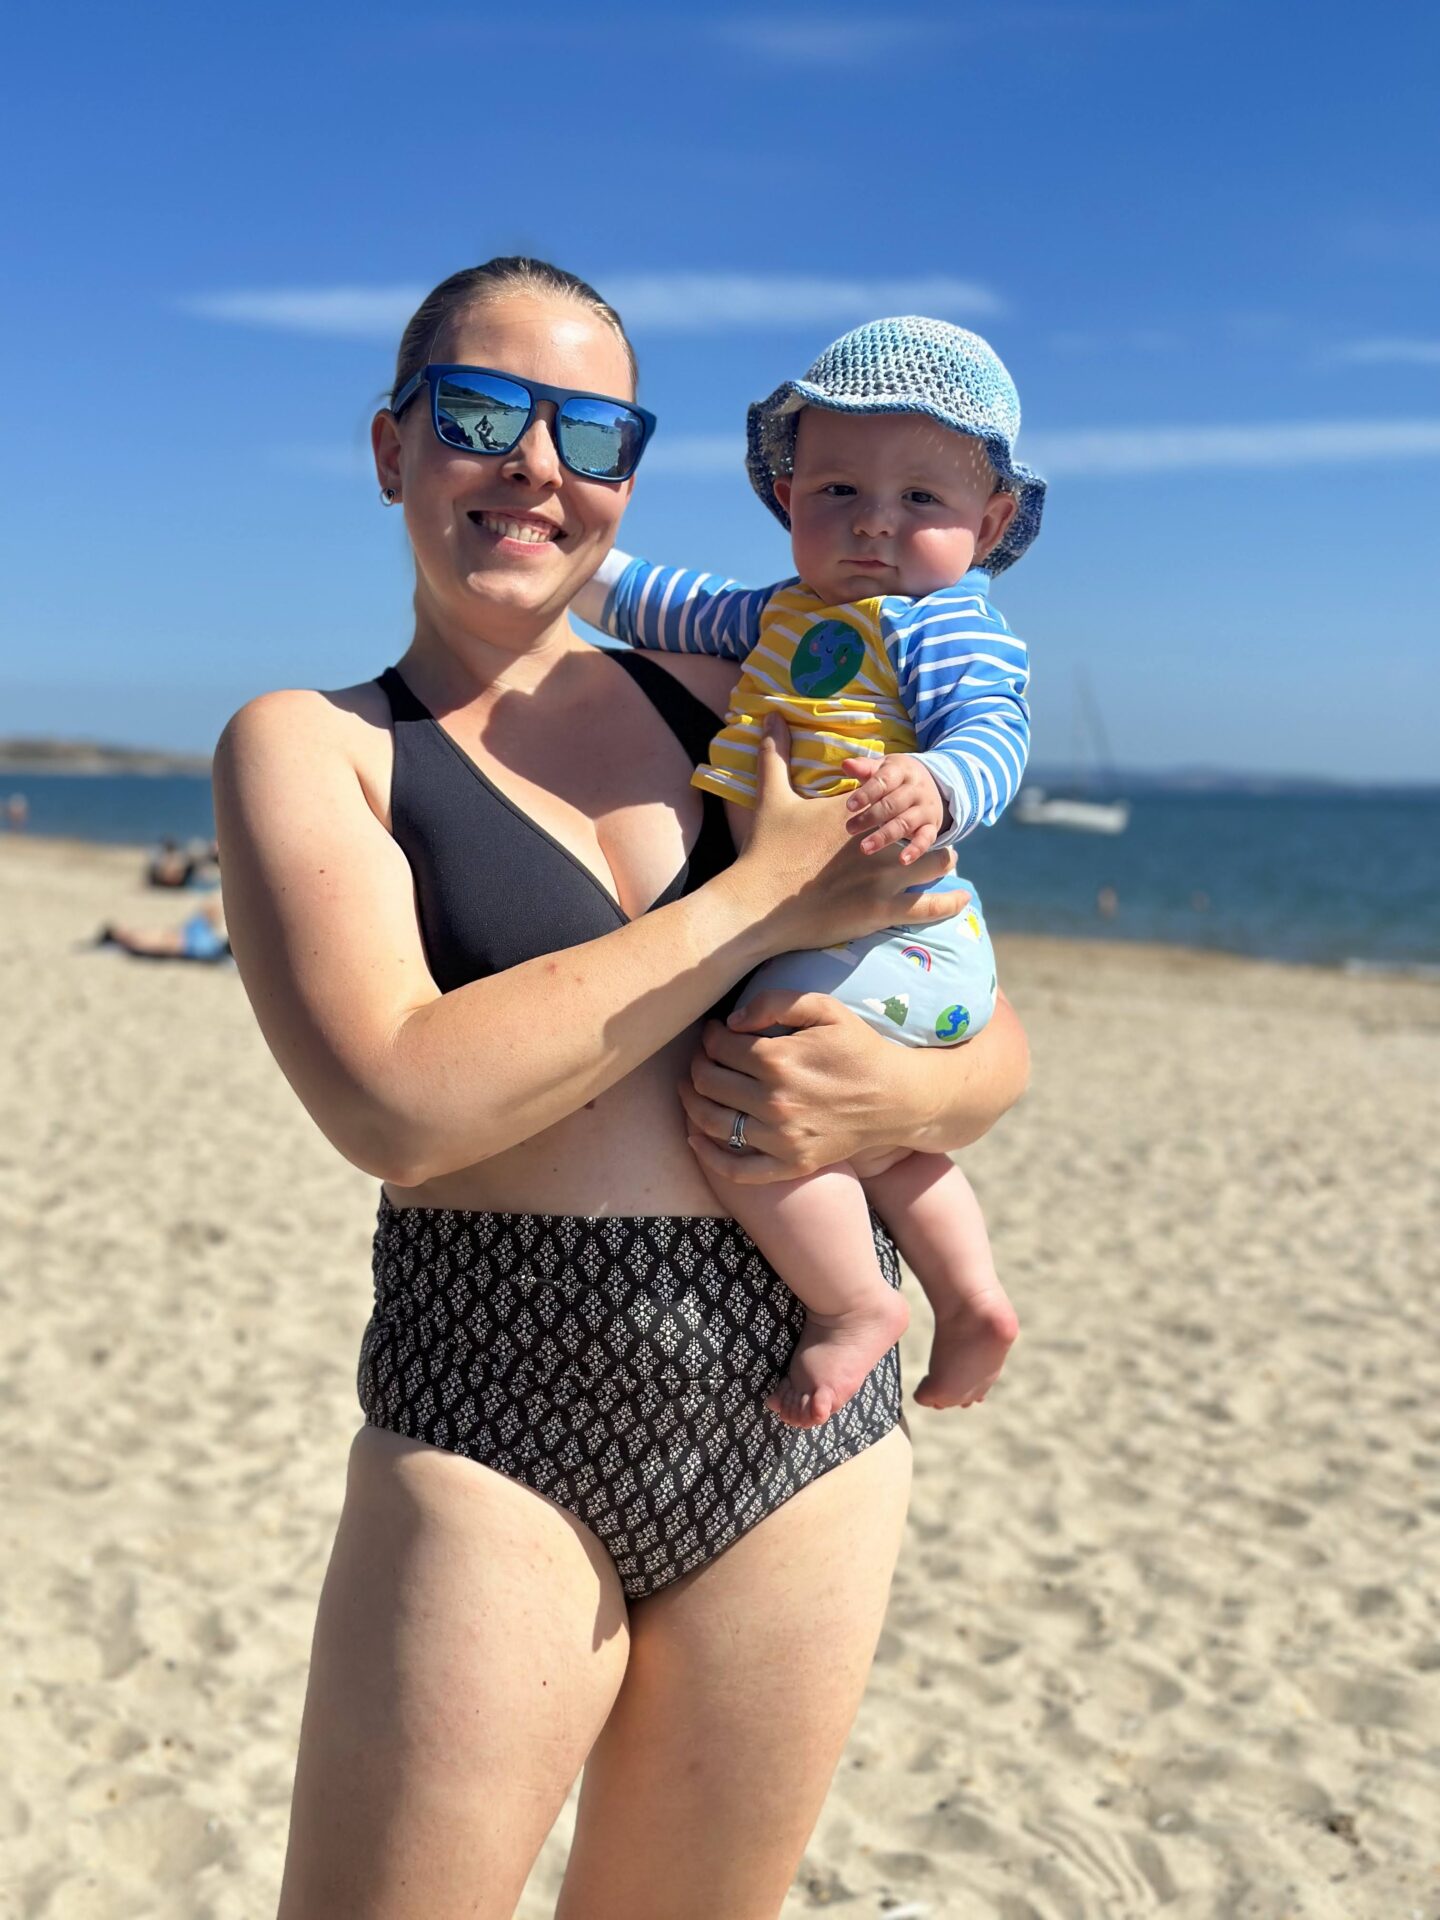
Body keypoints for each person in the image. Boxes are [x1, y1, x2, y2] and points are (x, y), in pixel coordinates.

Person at [212, 256, 1030, 1920]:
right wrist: (753, 900)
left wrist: (888, 1093)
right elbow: (395, 1102)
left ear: (628, 478)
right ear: (391, 450)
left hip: (806, 1429)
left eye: (586, 426)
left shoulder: (752, 691)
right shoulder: (319, 744)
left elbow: (983, 1029)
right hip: (497, 1415)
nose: (534, 461)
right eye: (480, 412)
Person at [577, 317, 1042, 1427]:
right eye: (838, 491)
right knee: (872, 1137)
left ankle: (852, 1305)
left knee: (754, 1081)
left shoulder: (943, 622)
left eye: (922, 503)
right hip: (853, 938)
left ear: (992, 521)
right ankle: (970, 1293)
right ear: (789, 500)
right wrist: (571, 555)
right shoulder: (778, 613)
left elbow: (995, 730)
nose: (875, 524)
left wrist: (939, 782)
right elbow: (657, 603)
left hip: (903, 934)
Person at [95, 899, 230, 960]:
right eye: (118, 931)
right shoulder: (134, 942)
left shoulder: (134, 936)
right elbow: (163, 948)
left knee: (210, 907)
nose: (122, 928)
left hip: (186, 934)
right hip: (191, 944)